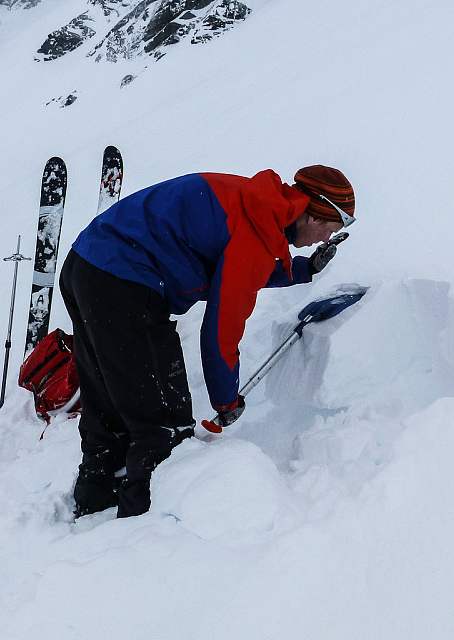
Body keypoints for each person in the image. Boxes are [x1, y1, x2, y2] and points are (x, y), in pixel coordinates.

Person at [58, 165, 356, 518]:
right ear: (315, 215)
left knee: (108, 401)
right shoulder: (257, 230)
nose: (323, 241)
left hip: (87, 266)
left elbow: (237, 267)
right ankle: (143, 532)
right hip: (125, 280)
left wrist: (302, 270)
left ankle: (94, 501)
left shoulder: (255, 203)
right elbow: (221, 328)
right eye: (331, 230)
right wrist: (226, 399)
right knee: (164, 422)